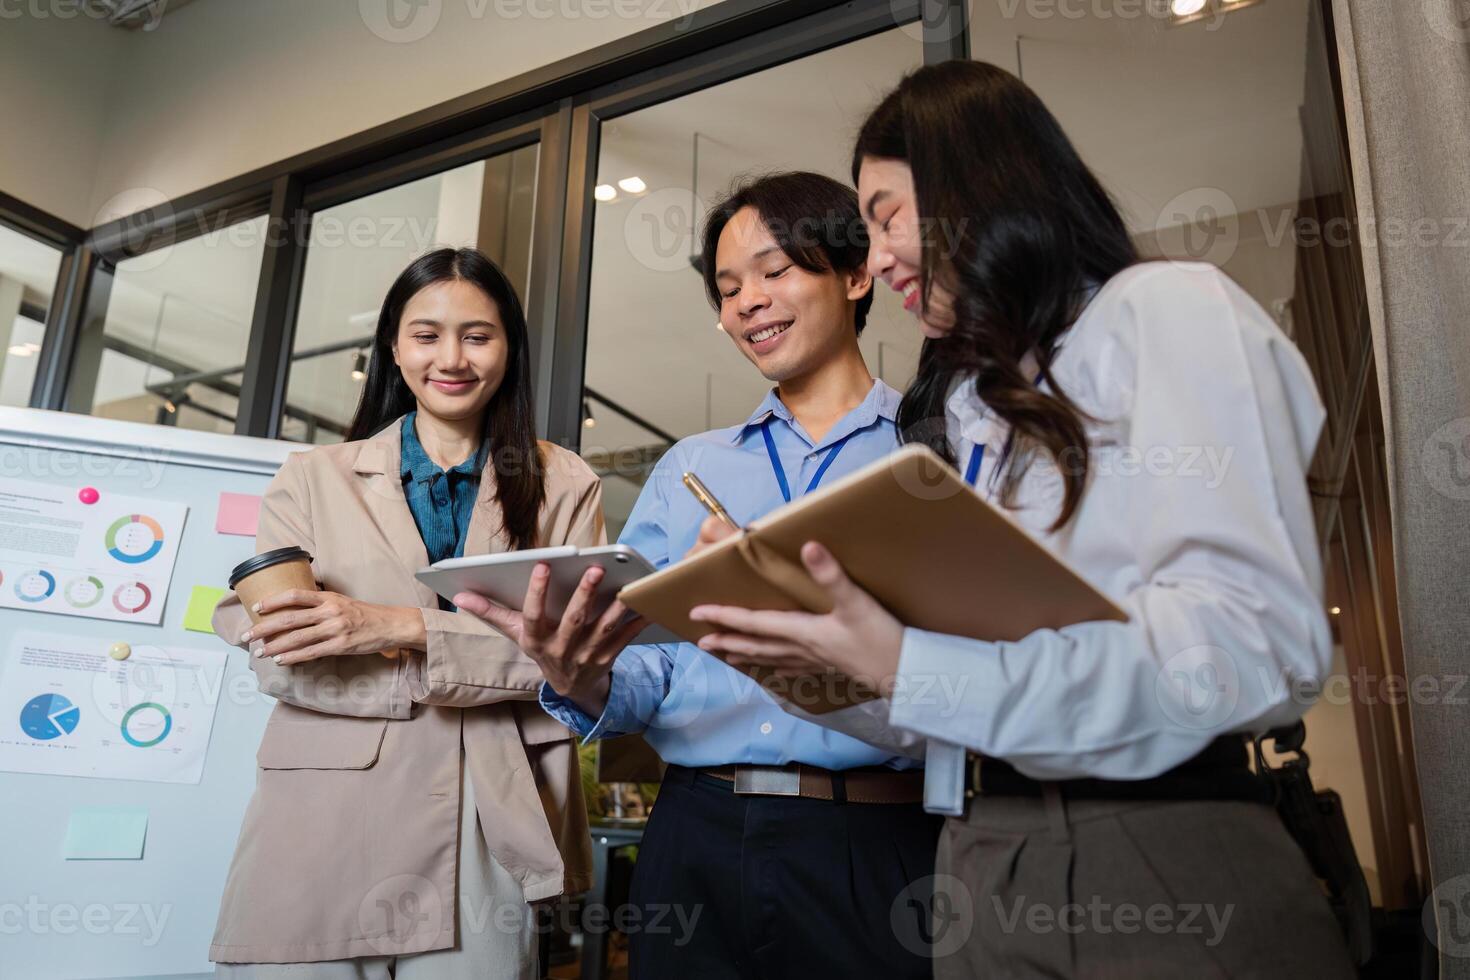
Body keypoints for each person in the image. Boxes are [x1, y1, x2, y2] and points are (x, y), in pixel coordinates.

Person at [685, 62, 1356, 978]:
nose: (876, 260)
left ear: (977, 186)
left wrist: (905, 663)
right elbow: (958, 704)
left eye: (886, 217)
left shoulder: (1165, 313)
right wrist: (828, 659)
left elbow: (1248, 646)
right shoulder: (980, 416)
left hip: (1148, 850)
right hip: (977, 855)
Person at [456, 172, 943, 979]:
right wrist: (586, 681)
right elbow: (652, 661)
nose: (748, 301)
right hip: (695, 832)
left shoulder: (931, 455)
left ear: (857, 276)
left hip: (874, 841)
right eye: (727, 288)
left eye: (776, 270)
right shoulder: (692, 467)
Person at [208, 248, 625, 979]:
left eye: (478, 334)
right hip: (323, 812)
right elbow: (278, 661)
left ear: (508, 349)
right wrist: (467, 672)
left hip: (489, 811)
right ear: (394, 348)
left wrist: (394, 629)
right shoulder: (312, 479)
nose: (452, 357)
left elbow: (574, 658)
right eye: (427, 334)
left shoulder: (563, 482)